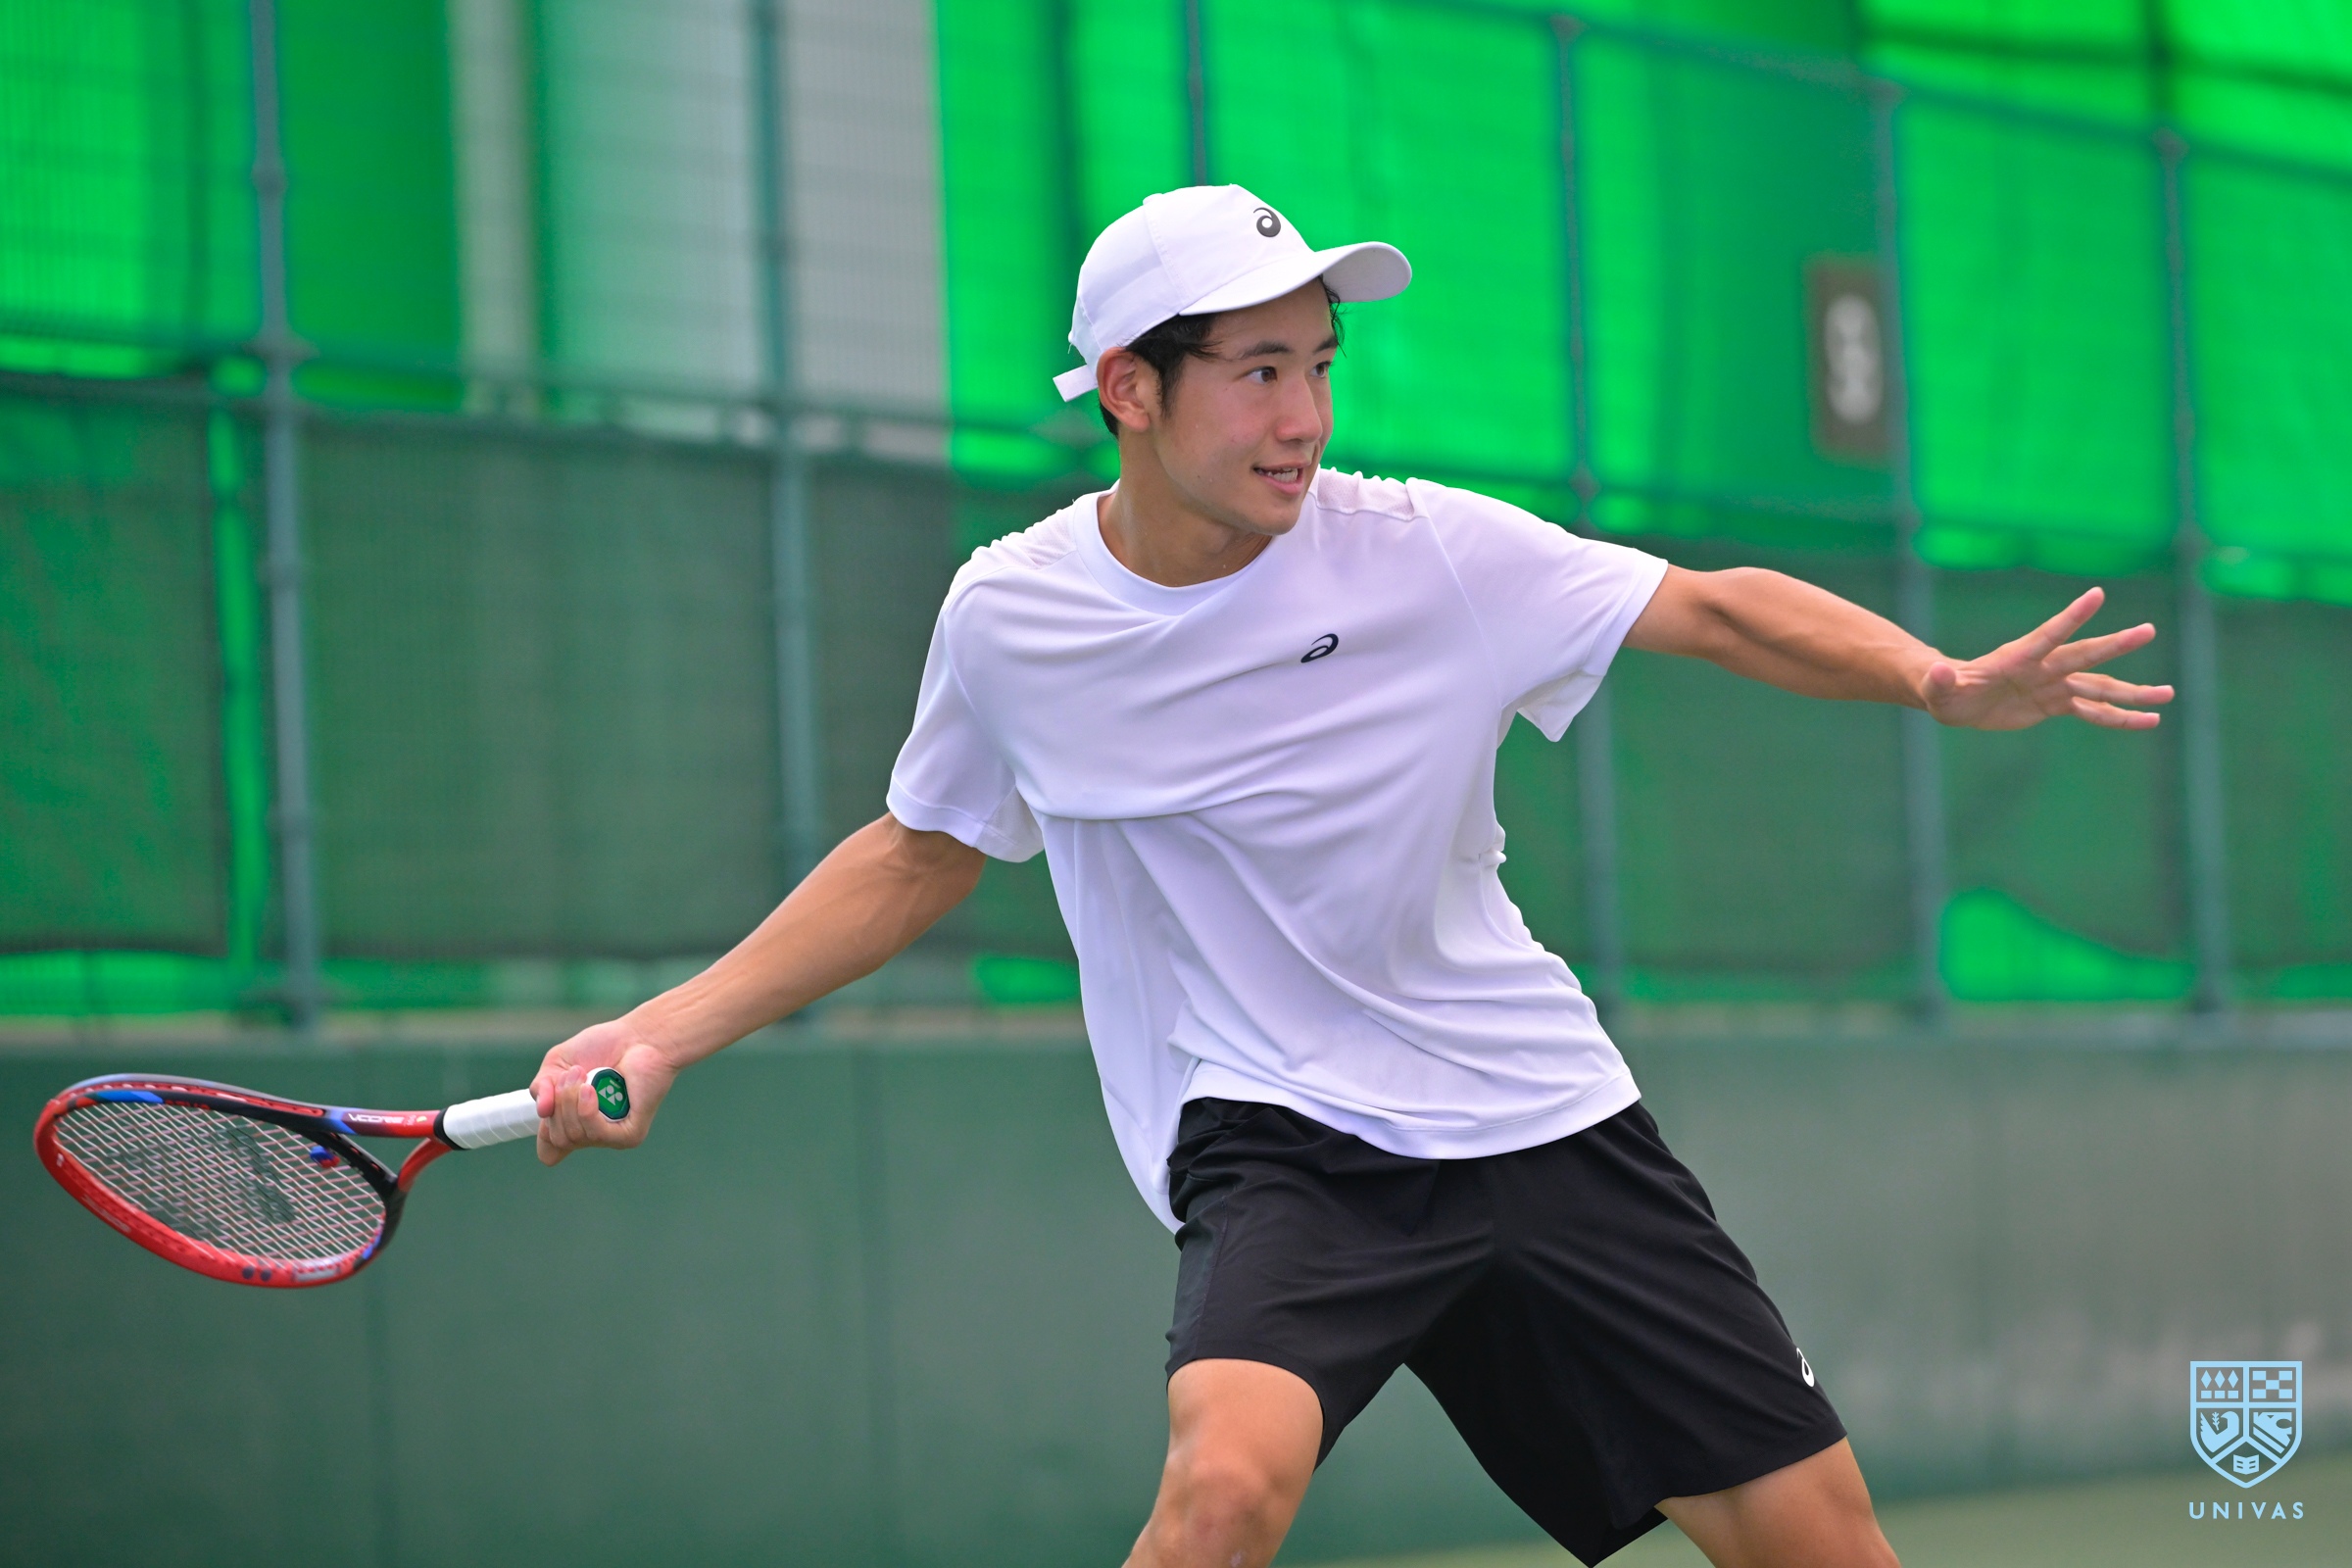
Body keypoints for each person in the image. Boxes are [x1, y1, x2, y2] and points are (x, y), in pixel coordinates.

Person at [528, 186, 2171, 1568]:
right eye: (1256, 372)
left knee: (1823, 1549)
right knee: (1222, 1493)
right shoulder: (1011, 618)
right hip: (1279, 1135)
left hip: (1537, 1111)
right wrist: (660, 1033)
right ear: (1129, 389)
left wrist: (1936, 681)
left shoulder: (1430, 553)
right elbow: (918, 852)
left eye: (1317, 366)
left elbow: (1713, 606)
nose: (1303, 416)